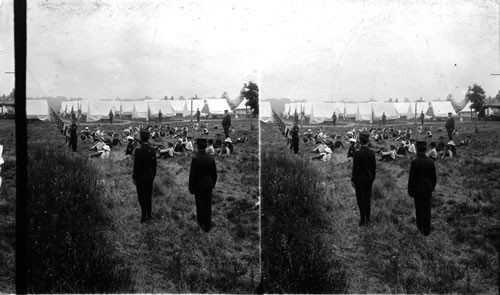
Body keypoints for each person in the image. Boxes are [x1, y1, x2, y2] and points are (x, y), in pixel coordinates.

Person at [408, 141, 437, 236]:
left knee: (419, 209)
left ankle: (420, 229)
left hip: (418, 189)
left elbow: (411, 178)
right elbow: (434, 178)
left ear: (416, 148)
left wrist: (410, 190)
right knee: (427, 209)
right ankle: (427, 230)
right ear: (425, 149)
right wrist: (431, 187)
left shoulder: (414, 162)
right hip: (428, 189)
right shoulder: (431, 162)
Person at [189, 138, 217, 232]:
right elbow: (214, 174)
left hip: (198, 187)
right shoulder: (211, 158)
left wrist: (191, 187)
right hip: (208, 186)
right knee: (208, 206)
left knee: (200, 206)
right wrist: (212, 184)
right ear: (205, 146)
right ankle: (208, 227)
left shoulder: (195, 159)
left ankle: (201, 226)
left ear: (197, 146)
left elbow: (192, 175)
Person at [351, 132, 376, 226]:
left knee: (360, 200)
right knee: (367, 199)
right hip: (369, 179)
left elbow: (355, 169)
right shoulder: (372, 153)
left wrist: (353, 179)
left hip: (359, 180)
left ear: (360, 141)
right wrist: (372, 178)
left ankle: (362, 219)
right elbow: (374, 168)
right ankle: (368, 219)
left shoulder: (357, 153)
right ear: (368, 141)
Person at [132, 129, 157, 223]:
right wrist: (153, 175)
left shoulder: (138, 151)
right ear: (148, 138)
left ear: (141, 138)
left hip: (140, 178)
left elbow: (136, 166)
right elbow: (155, 165)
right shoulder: (152, 150)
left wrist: (134, 177)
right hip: (150, 177)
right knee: (148, 196)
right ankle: (149, 215)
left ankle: (143, 216)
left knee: (142, 197)